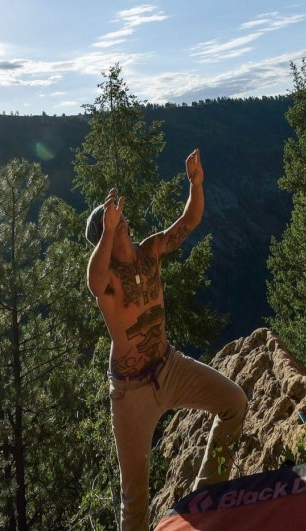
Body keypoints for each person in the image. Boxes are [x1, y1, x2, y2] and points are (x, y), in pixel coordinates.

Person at [85, 149, 247, 531]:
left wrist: (196, 184)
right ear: (101, 240)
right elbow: (92, 280)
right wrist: (106, 230)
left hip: (170, 366)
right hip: (130, 392)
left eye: (118, 216)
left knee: (234, 403)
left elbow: (187, 223)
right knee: (134, 499)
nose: (119, 221)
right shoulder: (106, 282)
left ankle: (207, 499)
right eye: (110, 222)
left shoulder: (150, 252)